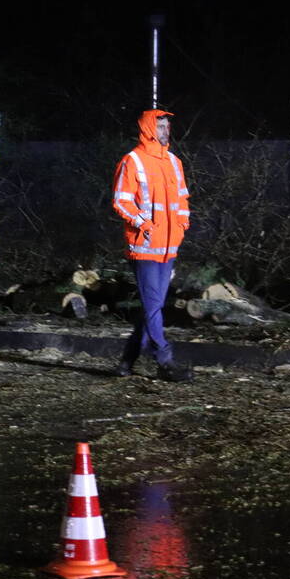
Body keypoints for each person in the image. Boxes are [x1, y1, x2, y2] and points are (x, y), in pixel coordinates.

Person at [111, 109, 193, 382]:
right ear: (148, 128)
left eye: (167, 125)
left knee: (152, 307)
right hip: (144, 246)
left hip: (168, 247)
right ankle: (165, 360)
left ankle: (126, 362)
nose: (165, 130)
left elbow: (182, 198)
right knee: (153, 306)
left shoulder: (173, 161)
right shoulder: (132, 161)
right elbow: (121, 200)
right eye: (160, 126)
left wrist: (182, 224)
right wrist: (144, 224)